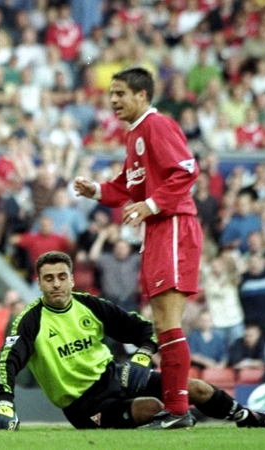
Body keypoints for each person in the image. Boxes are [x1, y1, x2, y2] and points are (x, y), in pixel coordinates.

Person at [0, 251, 265, 431]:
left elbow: (146, 330)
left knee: (195, 388)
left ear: (71, 278)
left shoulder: (90, 305)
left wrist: (144, 354)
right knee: (155, 407)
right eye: (49, 278)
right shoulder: (30, 320)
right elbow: (7, 360)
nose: (56, 284)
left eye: (61, 277)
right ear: (39, 282)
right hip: (82, 405)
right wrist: (5, 402)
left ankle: (249, 418)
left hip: (115, 375)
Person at [74, 68, 202, 429]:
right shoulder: (135, 135)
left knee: (168, 321)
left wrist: (152, 205)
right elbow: (126, 188)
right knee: (162, 322)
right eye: (111, 94)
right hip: (158, 229)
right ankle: (177, 410)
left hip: (173, 225)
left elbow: (187, 171)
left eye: (120, 93)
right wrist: (95, 190)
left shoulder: (157, 126)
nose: (113, 100)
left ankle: (179, 410)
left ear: (142, 95)